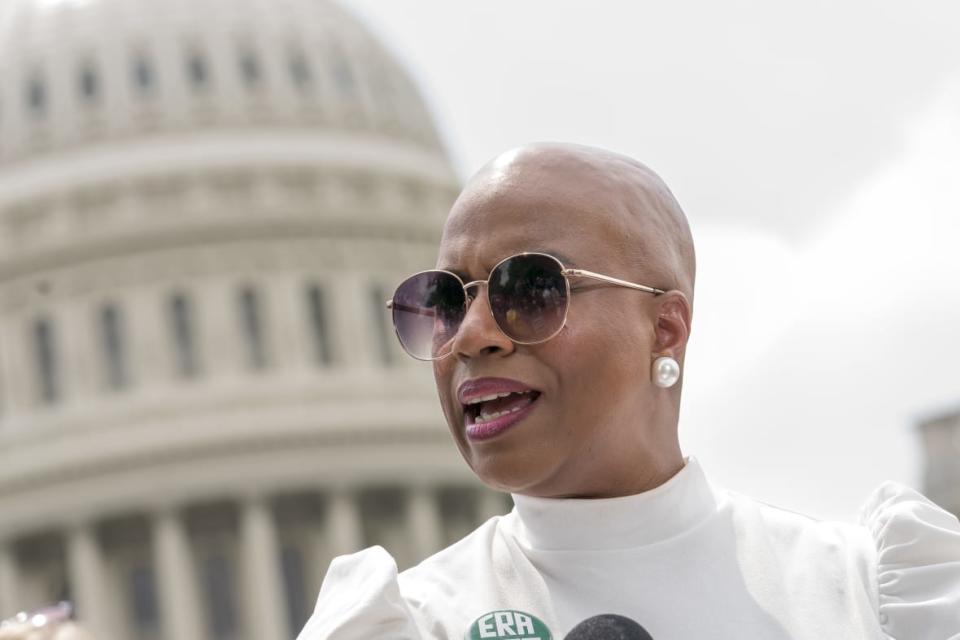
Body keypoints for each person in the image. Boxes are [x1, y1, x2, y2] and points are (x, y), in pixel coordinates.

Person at [297, 143, 960, 639]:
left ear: (665, 329)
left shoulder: (873, 595)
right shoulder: (410, 625)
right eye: (442, 301)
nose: (471, 336)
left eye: (530, 289)